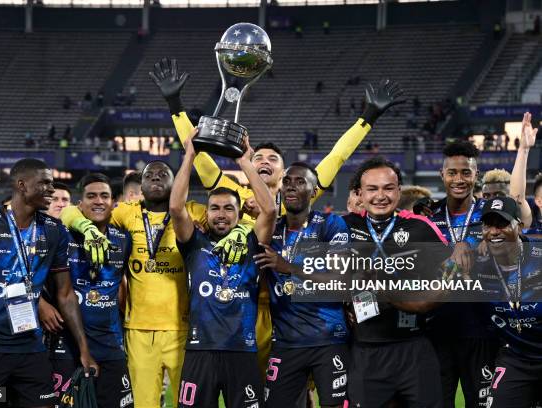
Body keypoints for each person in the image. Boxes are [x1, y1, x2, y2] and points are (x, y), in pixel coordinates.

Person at [149, 57, 404, 388]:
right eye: (259, 158)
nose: (264, 161)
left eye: (273, 159)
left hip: (294, 310)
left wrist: (367, 118)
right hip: (243, 308)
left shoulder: (300, 197)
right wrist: (176, 106)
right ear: (247, 165)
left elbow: (336, 158)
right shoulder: (235, 198)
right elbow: (199, 157)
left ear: (287, 173)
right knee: (258, 391)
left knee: (298, 390)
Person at [0, 158, 98, 407]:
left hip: (31, 347)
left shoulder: (53, 230)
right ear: (22, 185)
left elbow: (66, 293)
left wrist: (83, 348)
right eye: (45, 183)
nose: (51, 189)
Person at [60, 160, 208, 407]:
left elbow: (230, 217)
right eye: (150, 175)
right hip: (139, 331)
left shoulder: (190, 211)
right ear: (141, 184)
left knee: (190, 403)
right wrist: (88, 228)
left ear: (175, 183)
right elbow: (69, 212)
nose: (157, 178)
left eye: (163, 174)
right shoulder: (126, 212)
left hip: (183, 329)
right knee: (143, 404)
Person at [170, 133, 276, 407]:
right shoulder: (194, 243)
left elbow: (270, 210)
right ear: (206, 213)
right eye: (215, 208)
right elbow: (175, 206)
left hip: (242, 350)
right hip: (199, 350)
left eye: (229, 209)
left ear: (239, 215)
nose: (221, 214)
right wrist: (190, 156)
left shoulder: (252, 243)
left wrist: (244, 160)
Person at [343, 156, 448, 407]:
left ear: (399, 191)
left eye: (389, 188)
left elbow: (450, 273)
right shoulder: (343, 227)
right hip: (365, 349)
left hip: (413, 347)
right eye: (372, 189)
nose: (381, 195)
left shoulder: (421, 228)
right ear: (359, 193)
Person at [256, 162, 351, 408]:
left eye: (300, 182)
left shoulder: (330, 224)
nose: (291, 187)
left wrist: (289, 267)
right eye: (287, 182)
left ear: (313, 190)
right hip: (286, 342)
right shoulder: (272, 231)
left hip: (328, 339)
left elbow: (340, 278)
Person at [41, 173, 133, 408]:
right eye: (91, 196)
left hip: (111, 346)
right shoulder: (60, 236)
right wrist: (41, 303)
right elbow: (29, 274)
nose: (98, 201)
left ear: (113, 204)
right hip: (65, 347)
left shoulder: (124, 240)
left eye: (104, 196)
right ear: (79, 205)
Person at [427, 140, 497, 408]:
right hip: (436, 331)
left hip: (481, 331)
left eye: (466, 173)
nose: (459, 179)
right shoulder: (427, 218)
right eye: (452, 173)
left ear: (475, 175)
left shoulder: (493, 217)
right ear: (442, 175)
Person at [472, 196, 542, 407]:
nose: (494, 231)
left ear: (519, 226)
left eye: (502, 224)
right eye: (488, 225)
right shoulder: (476, 265)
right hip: (515, 357)